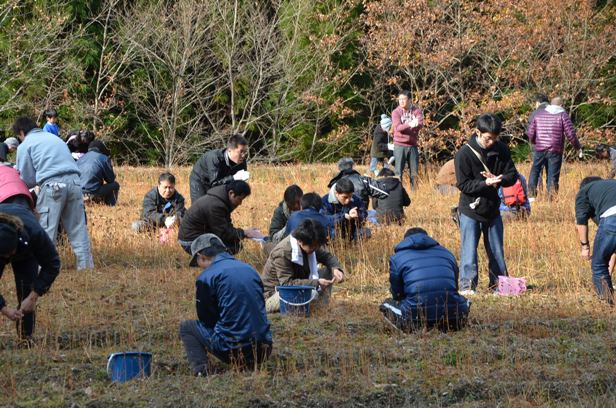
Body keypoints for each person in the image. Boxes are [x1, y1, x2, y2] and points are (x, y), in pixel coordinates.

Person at [180, 233, 272, 376]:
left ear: (201, 256)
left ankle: (202, 371)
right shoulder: (250, 269)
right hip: (264, 349)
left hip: (232, 349)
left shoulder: (206, 277)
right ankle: (248, 362)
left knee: (187, 327)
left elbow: (206, 319)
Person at [13, 117, 94, 270]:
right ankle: (86, 267)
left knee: (47, 229)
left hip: (52, 185)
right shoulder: (54, 138)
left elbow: (27, 178)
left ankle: (45, 269)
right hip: (75, 183)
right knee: (78, 228)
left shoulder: (25, 145)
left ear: (22, 132)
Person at [455, 113, 518, 295]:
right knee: (469, 250)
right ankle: (467, 286)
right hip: (470, 209)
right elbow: (463, 184)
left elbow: (512, 174)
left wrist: (500, 179)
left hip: (492, 208)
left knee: (496, 249)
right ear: (477, 132)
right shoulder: (464, 154)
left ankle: (499, 285)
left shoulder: (502, 150)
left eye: (495, 139)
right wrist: (485, 184)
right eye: (488, 138)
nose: (492, 142)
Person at [379, 228, 470, 332]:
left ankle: (413, 328)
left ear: (405, 240)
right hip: (454, 317)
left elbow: (397, 294)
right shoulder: (447, 253)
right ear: (427, 237)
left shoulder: (397, 258)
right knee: (465, 301)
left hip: (415, 319)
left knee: (386, 304)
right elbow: (454, 286)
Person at [0, 205, 61, 340]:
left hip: (26, 246)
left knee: (26, 287)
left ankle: (25, 338)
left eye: (11, 253)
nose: (8, 258)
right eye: (5, 256)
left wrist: (33, 296)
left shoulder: (35, 234)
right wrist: (4, 309)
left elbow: (53, 264)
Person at [261, 219, 344, 313]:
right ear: (300, 241)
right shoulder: (283, 252)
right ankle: (312, 306)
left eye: (317, 246)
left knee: (329, 271)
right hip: (275, 295)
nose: (316, 249)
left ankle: (320, 306)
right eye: (313, 246)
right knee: (309, 293)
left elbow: (327, 256)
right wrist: (316, 283)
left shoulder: (310, 242)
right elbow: (287, 284)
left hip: (298, 288)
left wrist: (336, 269)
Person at [178, 180, 262, 254]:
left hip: (197, 236)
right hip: (190, 242)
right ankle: (210, 263)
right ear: (231, 193)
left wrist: (242, 234)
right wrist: (245, 233)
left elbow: (225, 227)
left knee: (235, 244)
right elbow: (223, 233)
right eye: (240, 199)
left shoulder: (221, 200)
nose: (240, 203)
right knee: (230, 248)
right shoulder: (216, 205)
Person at [527, 96, 582, 198]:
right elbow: (571, 134)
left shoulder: (539, 114)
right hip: (555, 150)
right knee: (552, 175)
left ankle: (531, 196)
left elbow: (530, 133)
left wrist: (536, 143)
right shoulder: (562, 115)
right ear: (561, 105)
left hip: (539, 148)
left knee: (535, 170)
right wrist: (578, 147)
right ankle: (550, 199)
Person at [575, 176, 616, 303]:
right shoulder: (609, 188)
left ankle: (606, 304)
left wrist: (585, 247)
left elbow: (580, 221)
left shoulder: (583, 192)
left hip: (613, 216)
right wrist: (608, 272)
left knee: (598, 264)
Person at [189, 134, 249, 203]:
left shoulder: (242, 161)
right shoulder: (214, 158)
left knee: (220, 206)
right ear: (229, 149)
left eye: (245, 152)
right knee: (200, 207)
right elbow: (215, 184)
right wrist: (234, 178)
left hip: (221, 181)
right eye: (241, 152)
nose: (243, 155)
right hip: (200, 180)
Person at [391, 90, 423, 190]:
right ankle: (398, 192)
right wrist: (410, 124)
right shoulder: (396, 112)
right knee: (398, 172)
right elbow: (398, 128)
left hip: (413, 145)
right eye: (400, 99)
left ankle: (415, 192)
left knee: (414, 171)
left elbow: (420, 124)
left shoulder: (416, 111)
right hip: (399, 145)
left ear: (410, 100)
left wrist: (412, 126)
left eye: (404, 99)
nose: (401, 101)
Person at [77, 140, 119, 206]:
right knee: (115, 185)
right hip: (93, 192)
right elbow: (110, 179)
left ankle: (90, 201)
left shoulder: (80, 158)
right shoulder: (104, 158)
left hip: (78, 194)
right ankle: (110, 205)